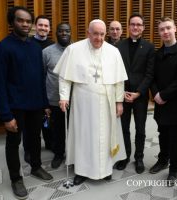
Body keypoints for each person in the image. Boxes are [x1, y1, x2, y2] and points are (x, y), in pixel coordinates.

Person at [54, 19, 128, 185]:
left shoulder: (113, 51)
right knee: (83, 136)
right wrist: (64, 96)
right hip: (83, 104)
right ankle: (82, 171)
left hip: (107, 104)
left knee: (106, 135)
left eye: (102, 34)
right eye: (95, 34)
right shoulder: (74, 50)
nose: (99, 38)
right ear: (88, 33)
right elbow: (65, 77)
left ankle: (105, 169)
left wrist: (119, 102)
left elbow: (118, 81)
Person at [0, 6, 53, 199]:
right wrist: (6, 115)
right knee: (13, 143)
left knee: (35, 139)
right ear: (12, 22)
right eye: (21, 20)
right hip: (15, 107)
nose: (25, 24)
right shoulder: (3, 48)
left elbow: (40, 78)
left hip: (35, 105)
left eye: (28, 21)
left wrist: (44, 104)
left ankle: (36, 167)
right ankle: (16, 178)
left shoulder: (35, 48)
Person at [149, 17, 177, 186]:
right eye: (161, 29)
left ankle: (174, 168)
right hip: (160, 101)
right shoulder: (157, 54)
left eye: (168, 28)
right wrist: (156, 93)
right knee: (162, 133)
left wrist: (164, 95)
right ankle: (163, 159)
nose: (165, 32)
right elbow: (152, 76)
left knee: (176, 136)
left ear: (175, 29)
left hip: (176, 102)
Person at [115, 13, 155, 174]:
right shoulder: (119, 46)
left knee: (140, 128)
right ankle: (125, 156)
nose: (135, 27)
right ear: (129, 26)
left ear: (143, 28)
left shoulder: (149, 47)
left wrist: (138, 92)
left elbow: (150, 73)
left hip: (140, 96)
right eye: (133, 24)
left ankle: (139, 157)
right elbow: (115, 72)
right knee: (123, 128)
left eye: (139, 24)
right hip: (122, 95)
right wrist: (122, 92)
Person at [23, 15, 55, 164]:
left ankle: (50, 143)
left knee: (48, 118)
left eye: (46, 26)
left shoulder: (52, 45)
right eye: (40, 25)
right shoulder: (27, 42)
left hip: (48, 88)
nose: (43, 28)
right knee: (30, 123)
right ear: (35, 26)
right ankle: (28, 149)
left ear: (49, 28)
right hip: (31, 88)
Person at [42, 23, 72, 168]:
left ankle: (74, 155)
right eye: (61, 31)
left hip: (76, 99)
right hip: (54, 100)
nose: (64, 33)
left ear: (71, 33)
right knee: (58, 130)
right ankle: (59, 154)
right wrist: (45, 103)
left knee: (75, 129)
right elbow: (42, 76)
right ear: (56, 33)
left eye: (67, 31)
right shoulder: (47, 52)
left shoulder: (77, 50)